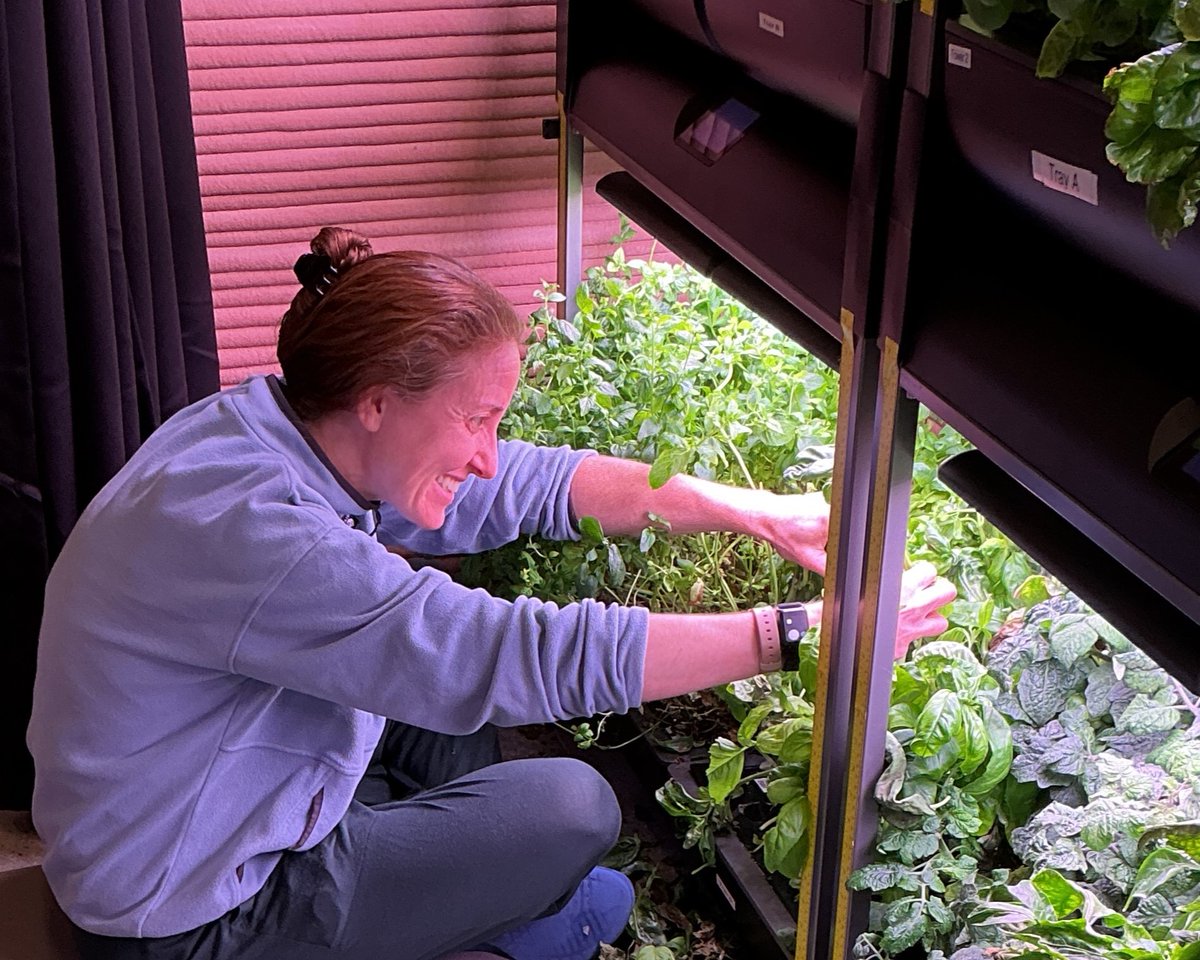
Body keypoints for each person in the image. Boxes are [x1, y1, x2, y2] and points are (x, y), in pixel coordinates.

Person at [27, 227, 956, 960]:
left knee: (491, 778)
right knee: (578, 822)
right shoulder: (255, 533)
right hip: (188, 916)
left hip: (207, 794)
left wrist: (760, 513)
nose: (485, 450)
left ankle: (446, 900)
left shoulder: (263, 426)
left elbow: (529, 483)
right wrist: (799, 633)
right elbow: (510, 655)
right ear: (379, 400)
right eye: (474, 418)